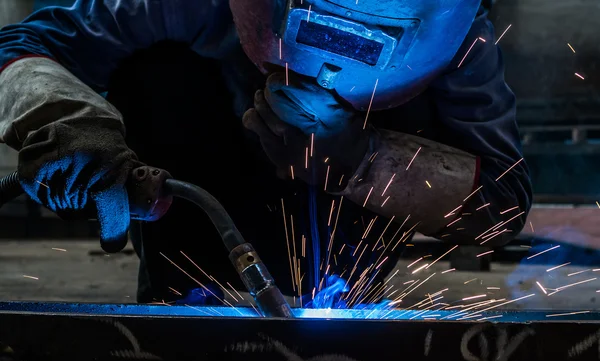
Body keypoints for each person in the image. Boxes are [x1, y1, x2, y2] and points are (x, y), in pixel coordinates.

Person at [0, 0, 531, 306]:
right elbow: (21, 46)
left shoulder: (459, 35)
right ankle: (183, 297)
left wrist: (364, 157)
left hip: (349, 261)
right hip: (198, 208)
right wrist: (62, 118)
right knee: (160, 69)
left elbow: (501, 206)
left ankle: (343, 299)